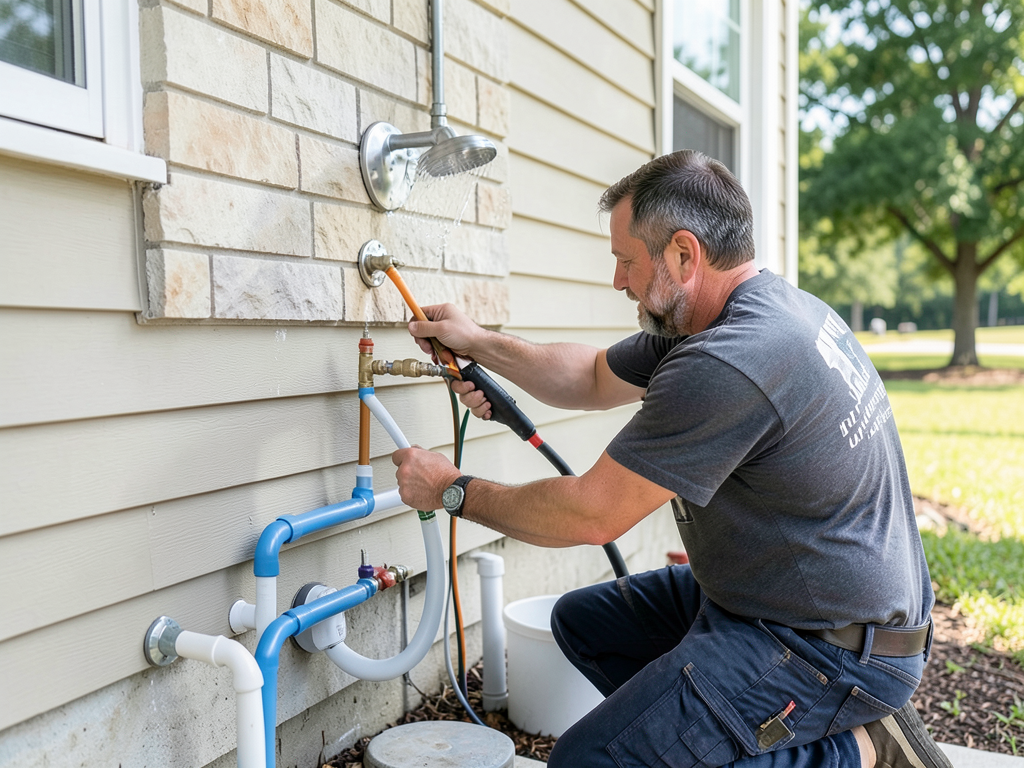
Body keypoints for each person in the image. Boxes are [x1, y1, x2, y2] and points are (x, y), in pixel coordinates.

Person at [391, 150, 950, 768]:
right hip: (781, 601)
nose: (617, 281)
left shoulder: (730, 361)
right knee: (586, 623)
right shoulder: (758, 313)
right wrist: (479, 343)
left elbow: (589, 516)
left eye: (626, 261)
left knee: (586, 761)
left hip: (827, 646)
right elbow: (590, 377)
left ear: (684, 254)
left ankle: (859, 749)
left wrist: (450, 489)